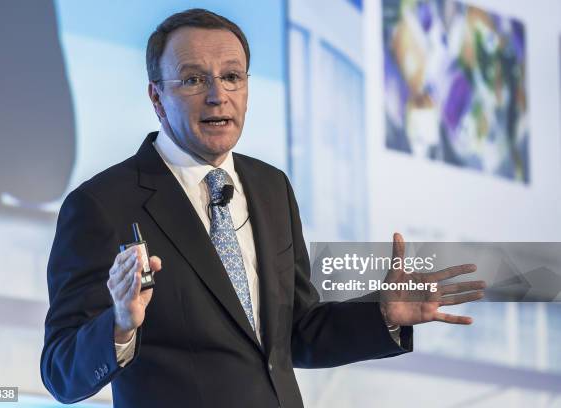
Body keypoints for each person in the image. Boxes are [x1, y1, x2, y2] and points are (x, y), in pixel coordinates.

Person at [40, 9, 485, 408]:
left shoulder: (271, 187)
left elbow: (296, 333)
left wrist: (382, 315)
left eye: (232, 76)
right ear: (156, 97)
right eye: (194, 79)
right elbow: (61, 372)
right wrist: (120, 325)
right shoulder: (101, 204)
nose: (218, 95)